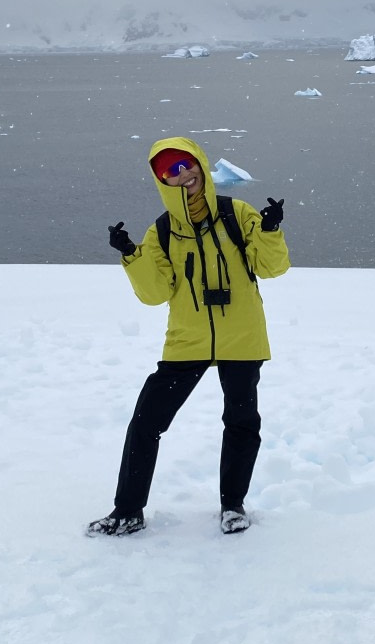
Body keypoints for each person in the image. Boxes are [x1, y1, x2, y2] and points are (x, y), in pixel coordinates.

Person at [87, 137, 290, 537]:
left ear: (200, 164)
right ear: (162, 180)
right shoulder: (161, 231)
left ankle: (233, 506)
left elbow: (272, 268)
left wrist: (268, 230)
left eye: (187, 165)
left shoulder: (237, 214)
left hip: (241, 336)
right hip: (188, 340)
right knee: (146, 421)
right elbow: (154, 294)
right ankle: (127, 510)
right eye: (172, 171)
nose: (184, 175)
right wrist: (131, 254)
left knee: (241, 422)